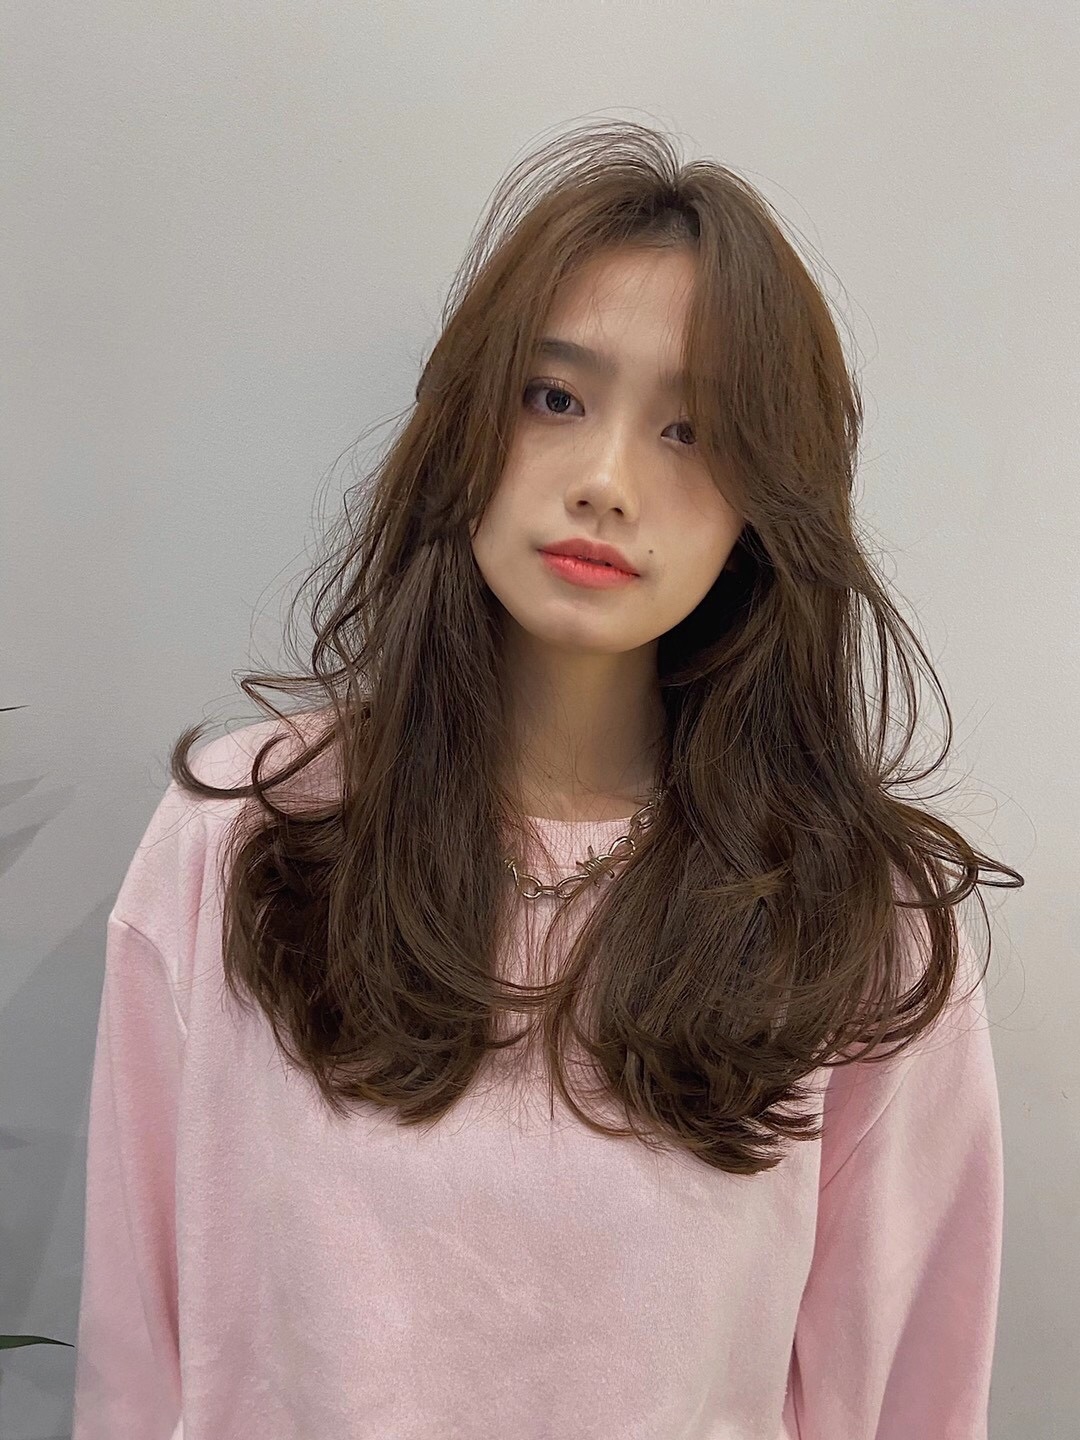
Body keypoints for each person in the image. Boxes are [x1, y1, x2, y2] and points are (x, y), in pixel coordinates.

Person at [72, 119, 1019, 1439]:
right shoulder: (242, 839)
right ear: (471, 418)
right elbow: (138, 1367)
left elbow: (904, 1406)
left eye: (692, 431)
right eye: (555, 398)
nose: (608, 482)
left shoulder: (860, 927)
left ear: (766, 503)